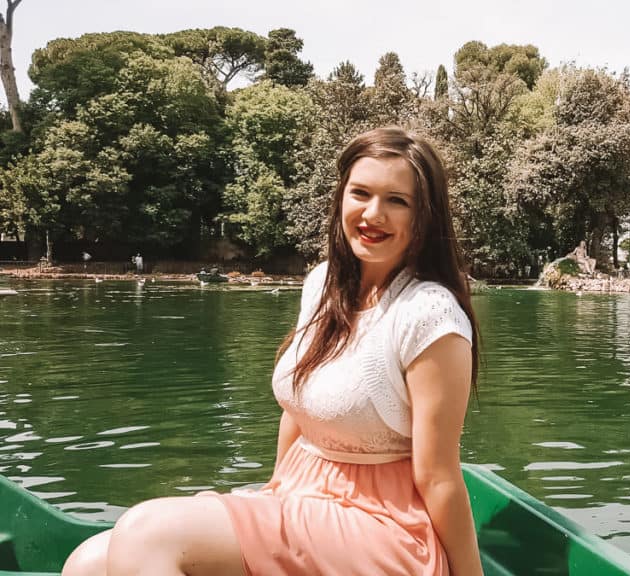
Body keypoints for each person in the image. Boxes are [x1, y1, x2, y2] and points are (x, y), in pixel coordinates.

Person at [62, 127, 484, 576]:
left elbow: (438, 475)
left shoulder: (429, 315)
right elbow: (297, 410)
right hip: (303, 494)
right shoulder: (324, 284)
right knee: (87, 562)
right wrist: (273, 492)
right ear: (341, 197)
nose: (373, 213)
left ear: (425, 217)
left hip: (383, 524)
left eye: (397, 201)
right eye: (361, 193)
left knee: (146, 532)